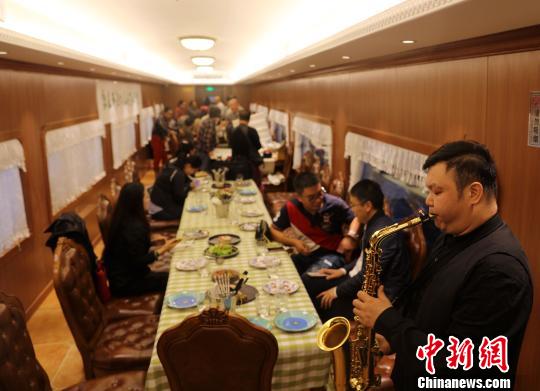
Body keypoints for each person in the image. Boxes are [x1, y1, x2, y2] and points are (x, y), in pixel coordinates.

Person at [353, 140, 533, 389]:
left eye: (437, 192)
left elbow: (458, 366)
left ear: (473, 193)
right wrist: (393, 339)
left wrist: (388, 321)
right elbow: (430, 314)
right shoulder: (452, 235)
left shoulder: (500, 270)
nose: (428, 200)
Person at [302, 179, 410, 322]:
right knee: (308, 281)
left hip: (376, 294)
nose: (351, 209)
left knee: (327, 302)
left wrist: (336, 291)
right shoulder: (372, 222)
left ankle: (318, 338)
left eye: (353, 205)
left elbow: (368, 276)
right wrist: (342, 271)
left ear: (367, 206)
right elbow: (362, 260)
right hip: (357, 279)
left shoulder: (382, 234)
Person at [270, 172, 360, 275]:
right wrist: (294, 242)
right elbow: (273, 229)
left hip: (333, 254)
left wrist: (350, 236)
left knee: (309, 280)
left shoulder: (335, 204)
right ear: (299, 197)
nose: (318, 200)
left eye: (320, 193)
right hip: (306, 254)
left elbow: (356, 218)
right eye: (312, 197)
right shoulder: (291, 208)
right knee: (281, 272)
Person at [103, 183, 177, 296]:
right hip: (126, 284)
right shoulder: (132, 227)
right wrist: (162, 250)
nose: (149, 199)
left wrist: (155, 241)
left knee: (172, 275)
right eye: (146, 196)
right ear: (136, 201)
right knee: (173, 279)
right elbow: (137, 262)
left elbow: (132, 252)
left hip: (129, 276)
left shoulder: (124, 218)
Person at [149, 154, 202, 221]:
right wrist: (189, 187)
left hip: (157, 204)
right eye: (194, 170)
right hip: (159, 210)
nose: (193, 173)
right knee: (189, 211)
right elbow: (179, 197)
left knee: (189, 205)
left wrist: (190, 185)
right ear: (188, 165)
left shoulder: (175, 167)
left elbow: (189, 181)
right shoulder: (178, 174)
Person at [229, 110, 263, 183]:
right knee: (251, 183)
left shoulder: (232, 131)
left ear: (239, 118)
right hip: (250, 163)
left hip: (236, 163)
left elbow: (230, 146)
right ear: (249, 119)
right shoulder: (252, 131)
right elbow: (258, 146)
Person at [196, 106, 220, 171]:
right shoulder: (210, 123)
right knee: (203, 170)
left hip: (202, 150)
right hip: (204, 151)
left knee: (203, 169)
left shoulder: (207, 120)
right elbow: (207, 139)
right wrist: (209, 151)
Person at [151, 107, 174, 172]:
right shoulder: (160, 118)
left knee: (164, 154)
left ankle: (166, 170)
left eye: (171, 114)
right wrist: (169, 132)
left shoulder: (165, 119)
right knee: (157, 155)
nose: (170, 115)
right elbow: (163, 127)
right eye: (169, 114)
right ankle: (156, 171)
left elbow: (168, 128)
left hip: (161, 138)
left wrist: (174, 130)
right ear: (165, 113)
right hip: (156, 138)